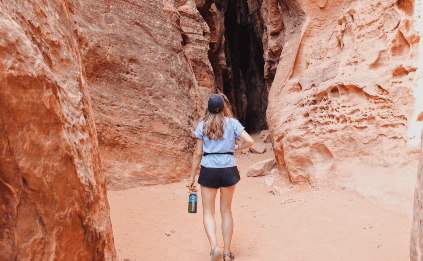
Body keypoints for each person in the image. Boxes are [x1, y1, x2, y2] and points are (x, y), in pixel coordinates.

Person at [188, 94, 254, 261]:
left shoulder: (202, 126)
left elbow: (197, 154)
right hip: (228, 169)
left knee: (208, 212)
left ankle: (214, 247)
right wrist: (235, 150)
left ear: (208, 108)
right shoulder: (232, 123)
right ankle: (226, 252)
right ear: (224, 107)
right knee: (226, 211)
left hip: (208, 170)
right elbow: (250, 141)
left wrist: (191, 177)